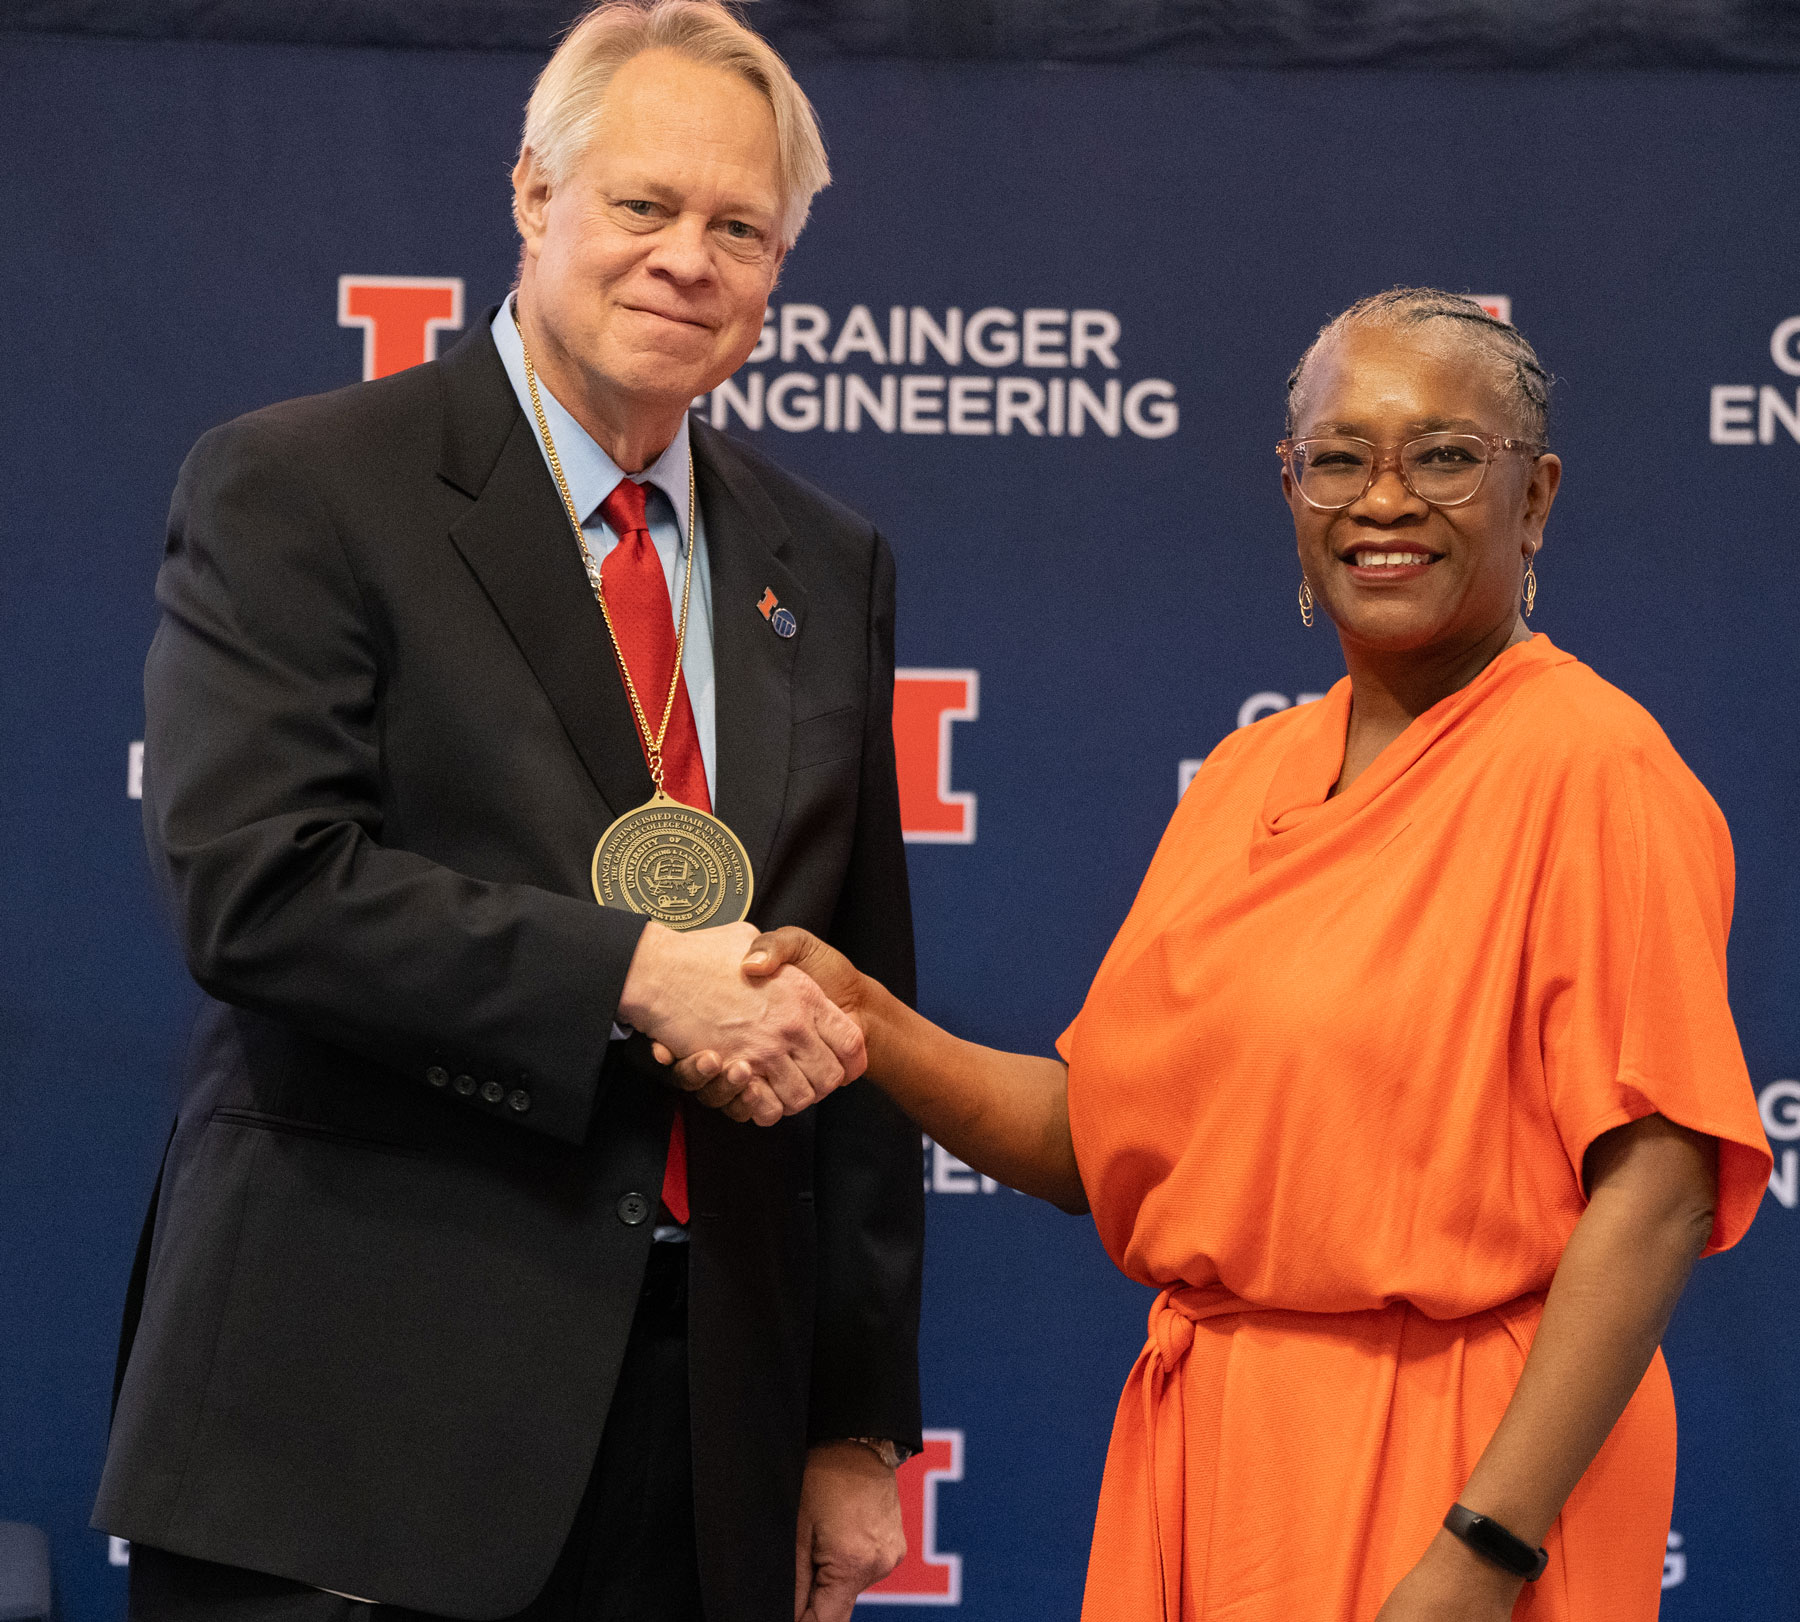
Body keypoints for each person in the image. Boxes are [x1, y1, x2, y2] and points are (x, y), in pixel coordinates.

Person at [670, 289, 1773, 1621]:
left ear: (1533, 497)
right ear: (1289, 485)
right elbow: (1100, 1139)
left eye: (1442, 455)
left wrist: (1485, 1544)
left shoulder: (1598, 770)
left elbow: (1654, 1191)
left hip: (1464, 1466)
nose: (1385, 498)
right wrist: (869, 1020)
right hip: (1219, 1457)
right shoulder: (1246, 771)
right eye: (1340, 457)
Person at [95, 6, 924, 1622]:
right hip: (356, 1417)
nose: (689, 258)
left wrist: (851, 1418)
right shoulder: (306, 485)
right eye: (644, 204)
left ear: (778, 270)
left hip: (705, 1437)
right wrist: (628, 972)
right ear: (535, 194)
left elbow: (856, 992)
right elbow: (255, 882)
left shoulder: (823, 564)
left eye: (739, 227)